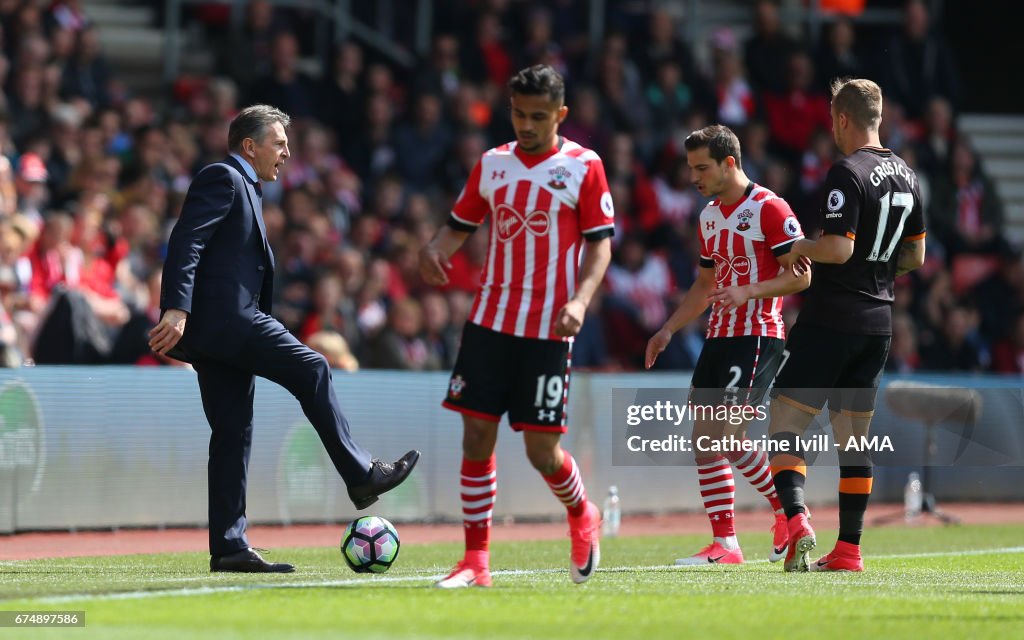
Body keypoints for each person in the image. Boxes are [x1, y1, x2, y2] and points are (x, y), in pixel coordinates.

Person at [149, 105, 419, 574]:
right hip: (230, 323)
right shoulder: (224, 177)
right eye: (278, 143)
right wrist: (177, 307)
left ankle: (230, 547)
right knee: (313, 367)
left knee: (232, 434)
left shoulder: (246, 187)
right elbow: (186, 240)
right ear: (250, 146)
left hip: (220, 333)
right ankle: (360, 474)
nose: (287, 152)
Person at [419, 65, 614, 588]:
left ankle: (582, 513)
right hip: (489, 322)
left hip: (549, 330)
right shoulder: (492, 164)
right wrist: (435, 250)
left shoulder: (583, 166)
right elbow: (459, 225)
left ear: (561, 115)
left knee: (540, 451)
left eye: (538, 116)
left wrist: (580, 300)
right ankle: (476, 561)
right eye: (518, 113)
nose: (526, 125)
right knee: (476, 435)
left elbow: (600, 243)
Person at [768, 78, 926, 572]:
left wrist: (801, 248)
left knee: (784, 426)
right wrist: (878, 272)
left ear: (841, 118)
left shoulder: (846, 171)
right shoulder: (908, 175)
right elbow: (916, 255)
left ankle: (796, 522)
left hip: (831, 319)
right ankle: (849, 550)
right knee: (853, 439)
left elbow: (838, 248)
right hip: (878, 324)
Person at [645, 124, 811, 566]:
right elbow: (704, 284)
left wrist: (747, 291)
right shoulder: (709, 216)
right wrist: (668, 329)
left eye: (702, 168)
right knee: (704, 440)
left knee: (730, 437)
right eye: (691, 168)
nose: (694, 177)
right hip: (718, 336)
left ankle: (789, 513)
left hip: (757, 334)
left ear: (729, 163)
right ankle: (727, 543)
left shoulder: (770, 208)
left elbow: (802, 275)